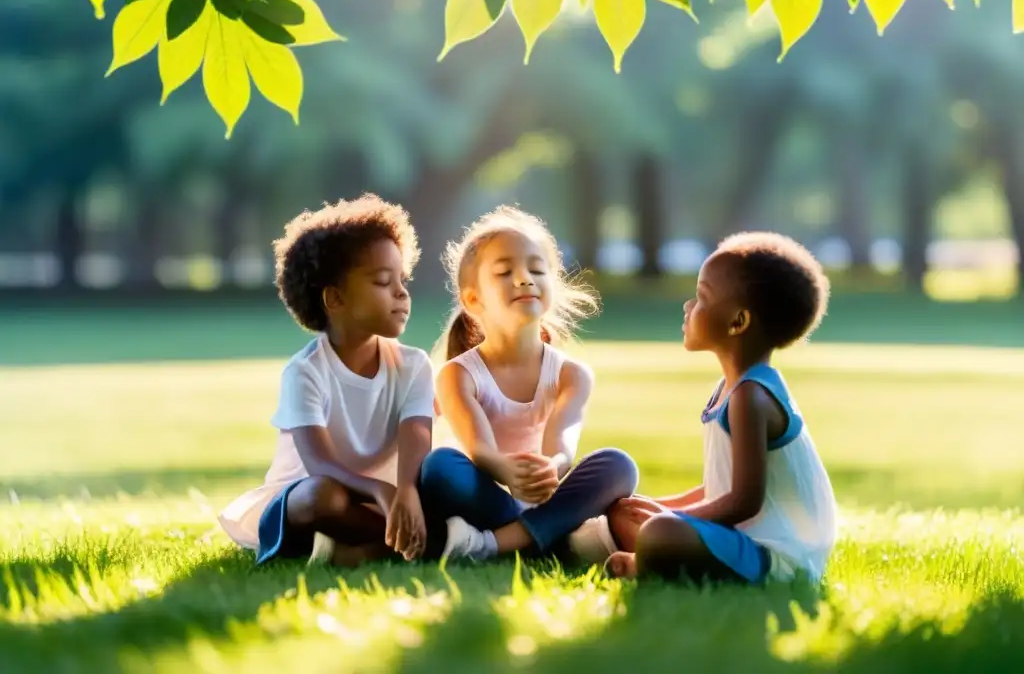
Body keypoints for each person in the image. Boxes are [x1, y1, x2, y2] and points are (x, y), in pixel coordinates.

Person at [605, 232, 838, 585]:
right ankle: (649, 552)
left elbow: (744, 502)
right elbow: (718, 489)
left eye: (701, 298)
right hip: (742, 537)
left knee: (661, 531)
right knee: (627, 511)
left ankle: (643, 562)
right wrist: (663, 506)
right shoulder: (730, 390)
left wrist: (671, 520)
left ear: (738, 322)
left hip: (776, 555)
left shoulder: (751, 398)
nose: (688, 307)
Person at [218, 194, 434, 568]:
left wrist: (407, 491)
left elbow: (418, 436)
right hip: (311, 498)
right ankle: (402, 541)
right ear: (334, 298)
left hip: (380, 502)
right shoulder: (305, 372)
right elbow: (319, 463)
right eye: (383, 281)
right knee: (324, 496)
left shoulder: (414, 365)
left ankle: (358, 550)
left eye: (403, 279)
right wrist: (380, 489)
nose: (402, 292)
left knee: (443, 487)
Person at [417, 206, 639, 563]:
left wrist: (552, 467)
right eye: (505, 272)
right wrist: (507, 471)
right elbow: (480, 451)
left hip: (547, 494)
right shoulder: (458, 375)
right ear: (474, 299)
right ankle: (556, 540)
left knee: (618, 465)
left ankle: (489, 546)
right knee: (440, 468)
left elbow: (562, 445)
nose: (524, 278)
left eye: (537, 269)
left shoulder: (571, 374)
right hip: (490, 496)